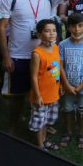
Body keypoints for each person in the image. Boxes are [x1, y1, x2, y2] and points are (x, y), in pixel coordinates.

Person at [0, 0, 83, 135]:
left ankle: (41, 126)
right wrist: (6, 56)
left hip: (45, 56)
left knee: (44, 93)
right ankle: (12, 127)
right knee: (17, 96)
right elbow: (1, 27)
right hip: (19, 55)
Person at [59, 13, 83, 150]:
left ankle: (82, 133)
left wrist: (82, 85)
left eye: (80, 26)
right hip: (67, 86)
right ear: (68, 27)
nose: (76, 29)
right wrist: (66, 85)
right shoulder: (63, 45)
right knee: (67, 108)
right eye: (73, 26)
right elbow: (60, 66)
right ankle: (68, 131)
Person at [29, 19, 62, 150]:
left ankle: (44, 139)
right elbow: (33, 76)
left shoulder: (55, 48)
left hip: (53, 93)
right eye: (47, 31)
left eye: (54, 30)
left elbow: (57, 69)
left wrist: (60, 86)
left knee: (47, 120)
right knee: (40, 121)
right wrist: (37, 96)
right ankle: (40, 145)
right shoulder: (37, 54)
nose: (51, 33)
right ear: (39, 34)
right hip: (41, 96)